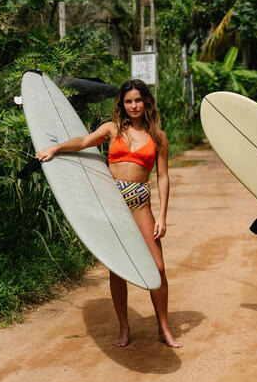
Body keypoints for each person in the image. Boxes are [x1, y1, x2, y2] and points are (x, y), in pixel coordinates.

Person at [36, 79, 181, 348]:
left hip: (140, 203)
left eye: (138, 100)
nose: (134, 105)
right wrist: (55, 148)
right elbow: (83, 142)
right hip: (113, 203)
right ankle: (124, 328)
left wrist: (162, 216)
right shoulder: (112, 129)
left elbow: (163, 176)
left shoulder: (158, 136)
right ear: (122, 104)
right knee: (119, 268)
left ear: (146, 102)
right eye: (128, 101)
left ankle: (164, 328)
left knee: (158, 268)